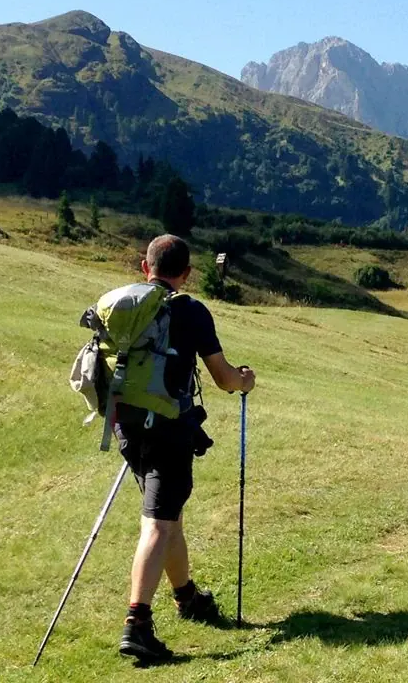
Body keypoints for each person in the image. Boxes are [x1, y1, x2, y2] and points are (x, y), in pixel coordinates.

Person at [115, 236, 256, 662]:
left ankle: (187, 596)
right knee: (157, 524)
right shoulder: (190, 311)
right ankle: (136, 624)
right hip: (168, 431)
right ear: (187, 273)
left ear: (145, 267)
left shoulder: (126, 307)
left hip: (127, 427)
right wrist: (244, 381)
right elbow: (222, 377)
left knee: (167, 512)